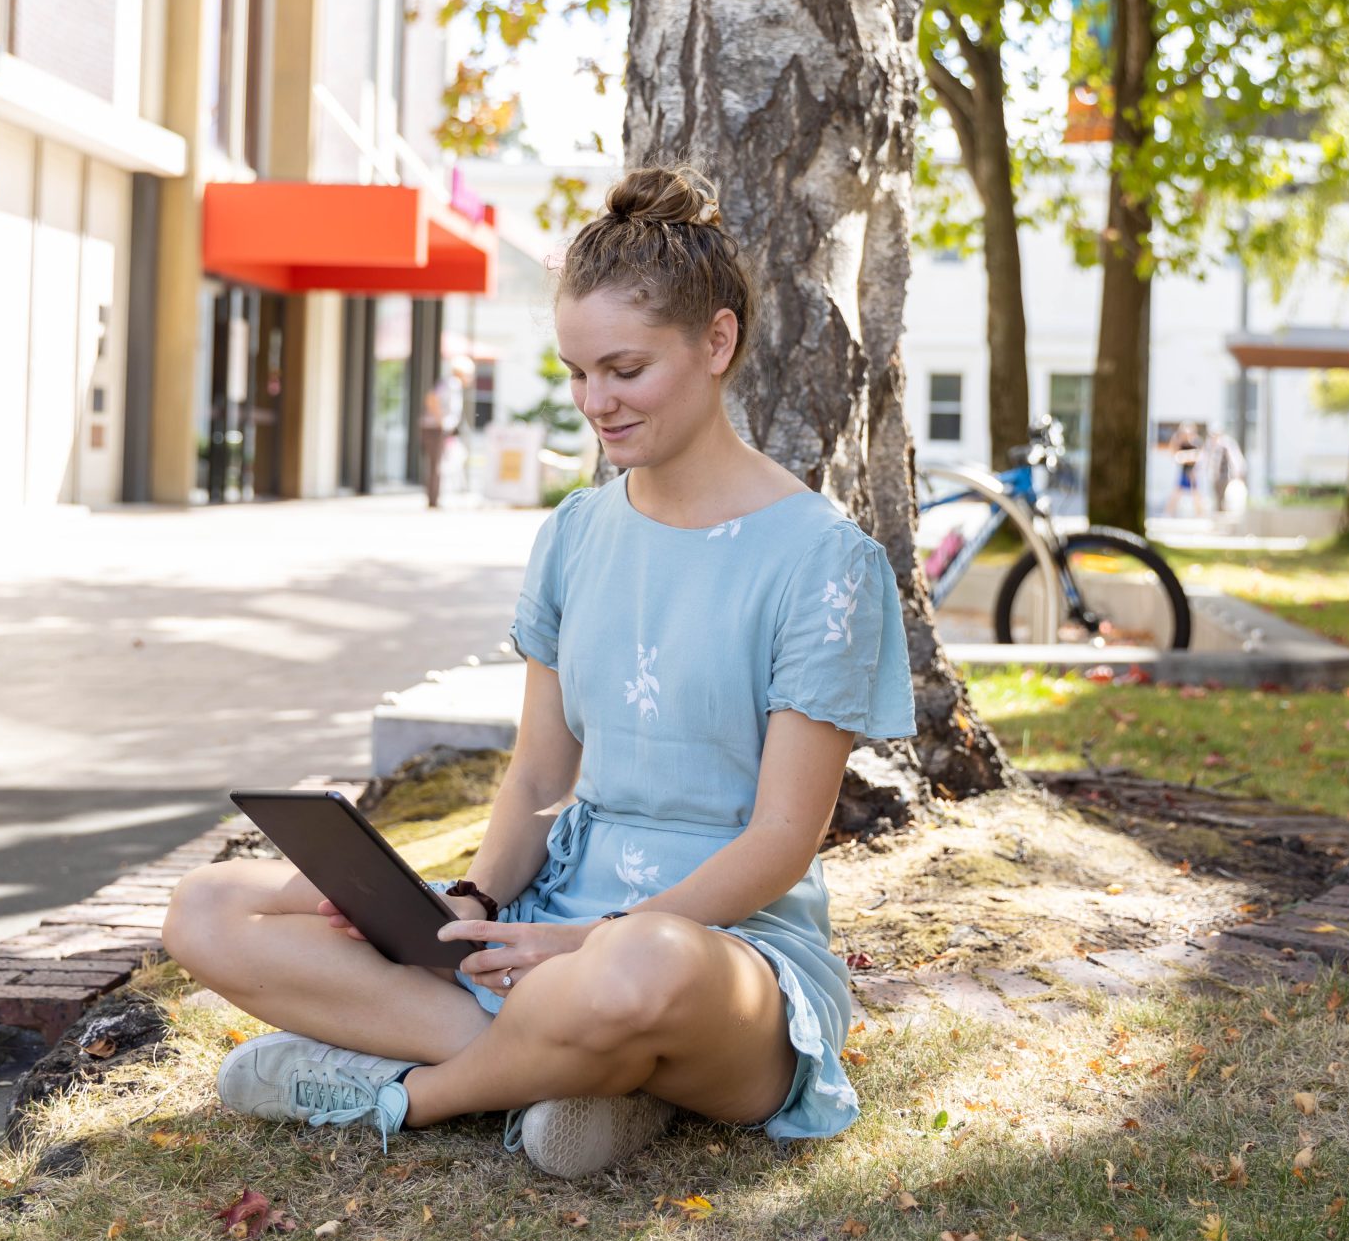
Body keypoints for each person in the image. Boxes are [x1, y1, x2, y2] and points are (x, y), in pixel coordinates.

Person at [163, 166, 913, 1179]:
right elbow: (536, 779)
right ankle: (581, 1081)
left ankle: (403, 1094)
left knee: (629, 972)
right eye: (575, 372)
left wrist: (587, 943)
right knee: (211, 908)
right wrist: (473, 899)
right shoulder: (575, 532)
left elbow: (783, 840)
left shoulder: (823, 559)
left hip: (713, 954)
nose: (595, 402)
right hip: (545, 923)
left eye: (624, 369)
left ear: (717, 342)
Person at [420, 355, 473, 509]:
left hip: (438, 428)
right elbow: (431, 398)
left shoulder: (452, 384)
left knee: (439, 464)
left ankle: (435, 498)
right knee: (436, 465)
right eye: (469, 375)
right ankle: (433, 500)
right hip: (435, 428)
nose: (470, 379)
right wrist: (441, 420)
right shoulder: (451, 384)